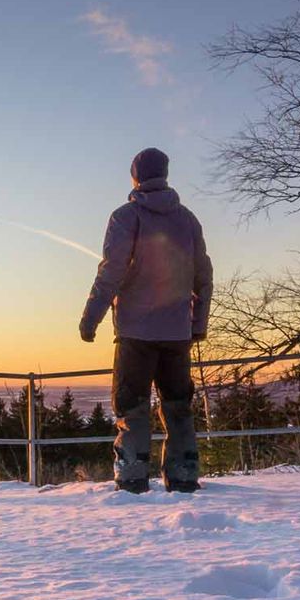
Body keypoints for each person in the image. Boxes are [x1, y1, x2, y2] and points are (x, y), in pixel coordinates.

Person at [77, 147, 214, 494]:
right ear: (165, 174)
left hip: (135, 334)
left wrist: (90, 319)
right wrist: (197, 325)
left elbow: (112, 272)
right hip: (176, 335)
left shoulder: (126, 216)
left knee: (132, 407)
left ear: (135, 176)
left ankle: (133, 479)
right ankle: (183, 478)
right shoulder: (187, 219)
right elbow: (203, 276)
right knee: (179, 407)